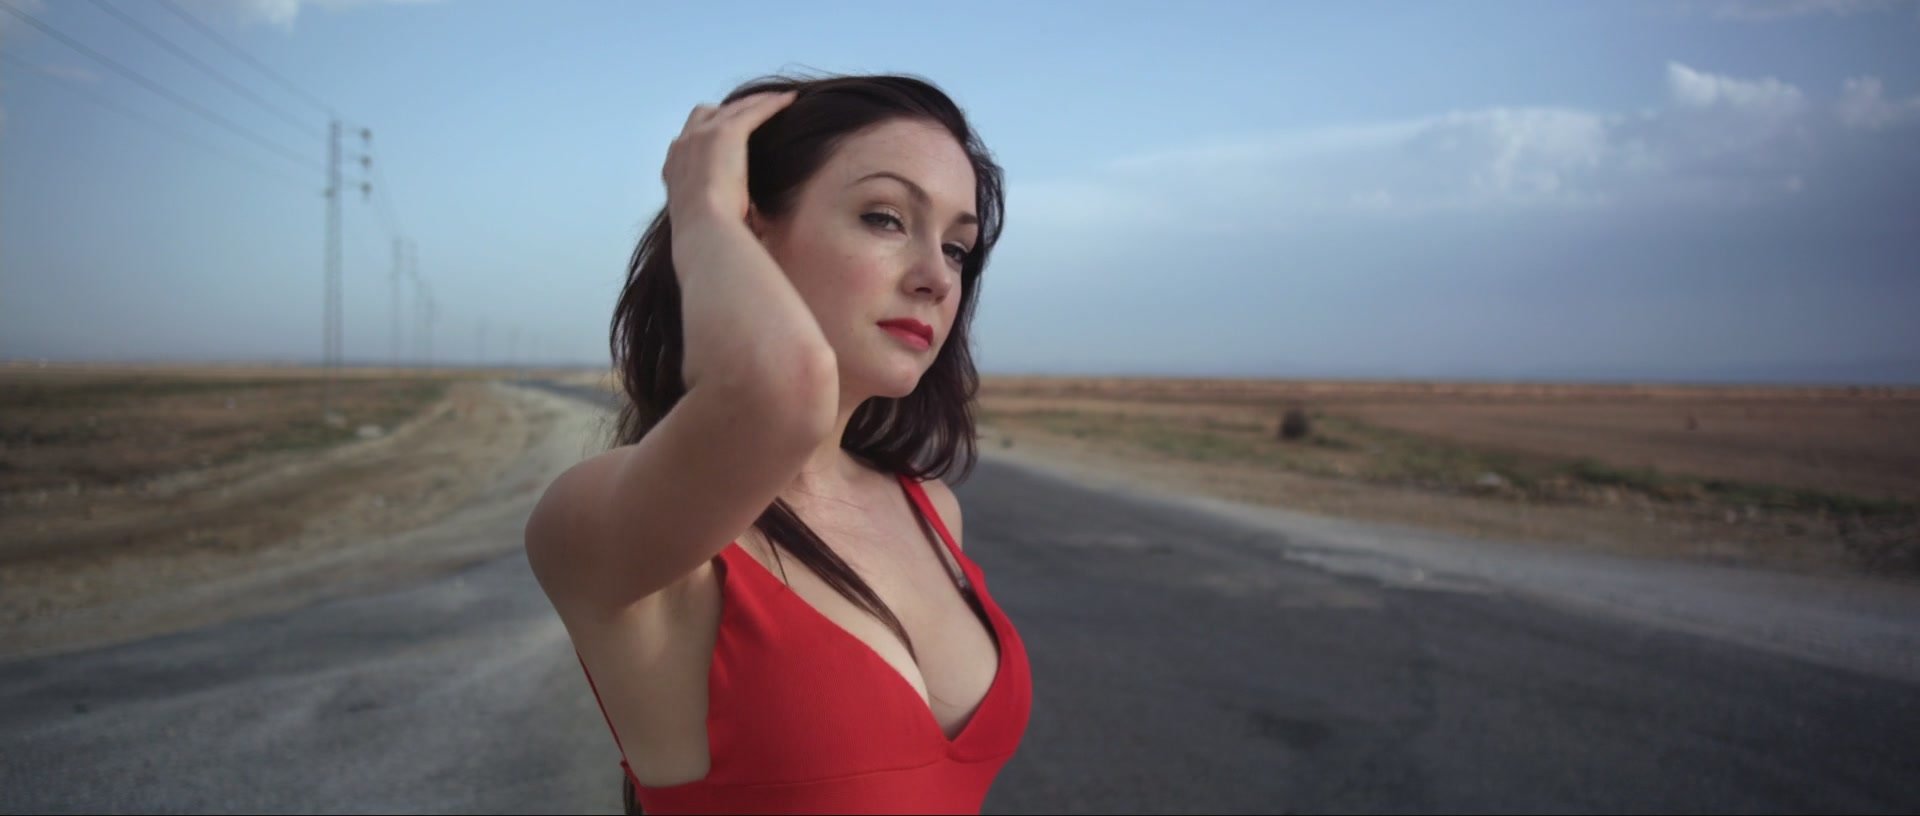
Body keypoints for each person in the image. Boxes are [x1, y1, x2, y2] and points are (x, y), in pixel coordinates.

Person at [523, 73, 1032, 815]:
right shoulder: (613, 528)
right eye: (886, 218)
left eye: (957, 248)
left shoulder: (930, 508)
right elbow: (781, 390)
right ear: (750, 229)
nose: (935, 278)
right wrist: (702, 207)